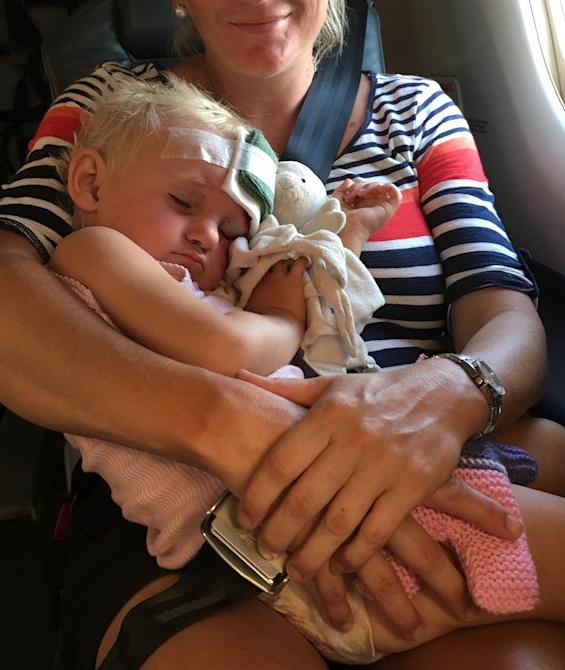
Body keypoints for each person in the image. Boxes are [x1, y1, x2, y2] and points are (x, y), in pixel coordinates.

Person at [0, 0, 564, 670]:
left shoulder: (420, 110)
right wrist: (237, 427)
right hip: (187, 498)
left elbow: (503, 310)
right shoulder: (108, 108)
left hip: (426, 447)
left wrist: (449, 393)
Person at [51, 75, 558, 666]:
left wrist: (348, 238)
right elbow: (229, 350)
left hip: (302, 502)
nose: (206, 234)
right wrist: (279, 315)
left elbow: (312, 346)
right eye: (184, 203)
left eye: (232, 230)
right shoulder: (93, 255)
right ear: (89, 181)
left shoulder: (182, 285)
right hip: (281, 538)